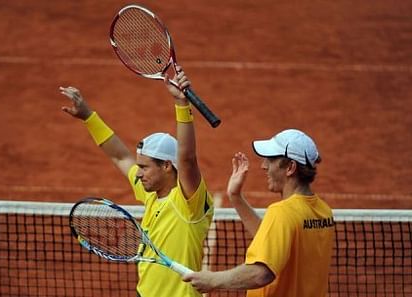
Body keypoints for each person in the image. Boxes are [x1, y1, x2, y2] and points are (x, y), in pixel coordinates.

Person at [59, 66, 214, 297]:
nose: (138, 173)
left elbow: (189, 160)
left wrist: (182, 105)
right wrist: (88, 117)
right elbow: (119, 155)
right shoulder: (149, 191)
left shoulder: (188, 203)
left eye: (144, 167)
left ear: (167, 166)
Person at [183, 129, 335, 297]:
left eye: (271, 160)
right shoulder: (323, 211)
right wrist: (236, 197)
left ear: (290, 167)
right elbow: (274, 240)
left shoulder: (282, 213)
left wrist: (213, 280)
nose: (264, 166)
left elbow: (261, 273)